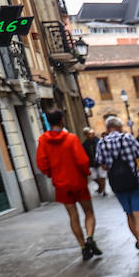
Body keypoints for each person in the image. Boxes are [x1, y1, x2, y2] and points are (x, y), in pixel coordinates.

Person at [36, 109, 102, 259]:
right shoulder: (71, 138)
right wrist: (86, 173)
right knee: (89, 212)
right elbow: (82, 160)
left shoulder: (43, 140)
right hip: (77, 181)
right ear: (62, 121)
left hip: (61, 184)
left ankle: (83, 246)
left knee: (73, 216)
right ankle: (90, 238)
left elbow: (41, 163)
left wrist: (52, 174)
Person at [93, 117, 139, 257]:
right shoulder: (127, 138)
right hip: (134, 180)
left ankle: (138, 241)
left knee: (129, 213)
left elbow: (102, 164)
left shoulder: (102, 142)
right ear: (119, 127)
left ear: (108, 129)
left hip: (117, 183)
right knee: (138, 214)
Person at [81, 126, 106, 196]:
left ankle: (103, 190)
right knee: (93, 177)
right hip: (91, 164)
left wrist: (104, 161)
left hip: (100, 162)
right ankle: (100, 186)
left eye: (92, 134)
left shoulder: (98, 141)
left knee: (102, 176)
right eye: (89, 134)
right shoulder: (85, 144)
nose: (90, 135)